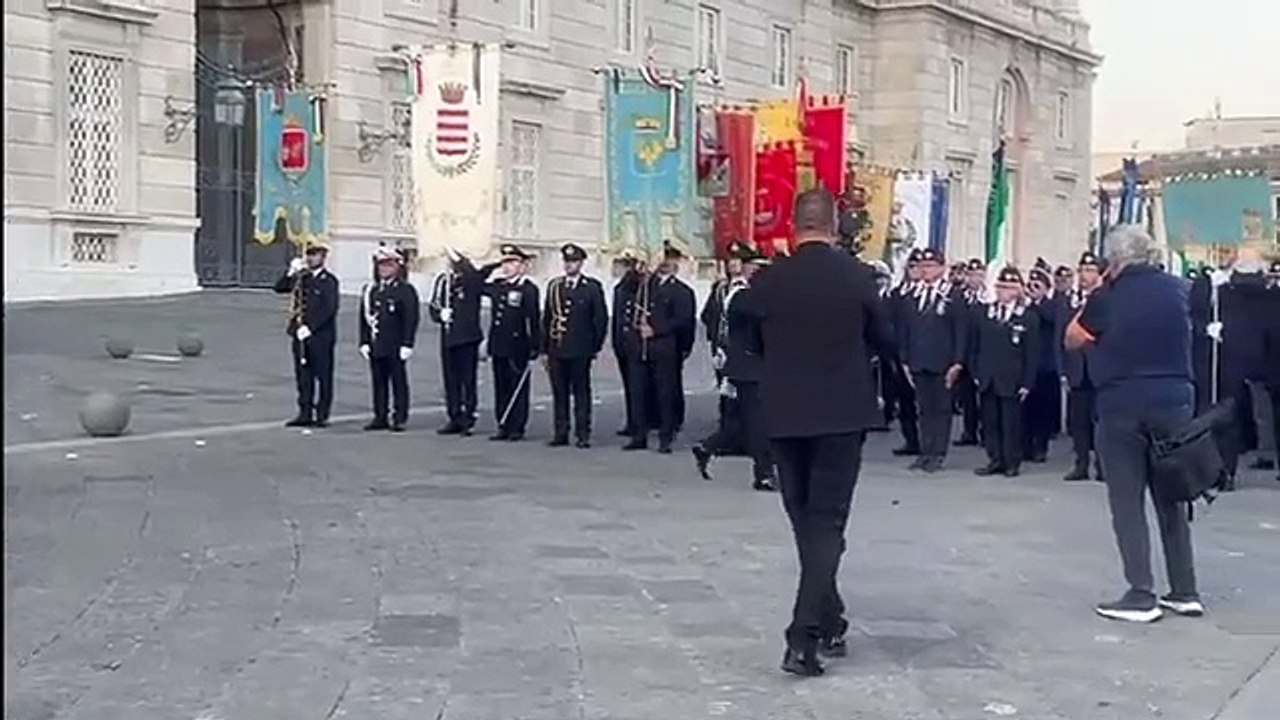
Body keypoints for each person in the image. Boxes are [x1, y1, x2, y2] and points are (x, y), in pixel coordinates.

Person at [738, 188, 894, 677]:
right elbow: (885, 340)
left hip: (785, 413)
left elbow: (741, 338)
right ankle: (803, 635)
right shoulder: (857, 277)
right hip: (842, 415)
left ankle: (829, 617)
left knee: (804, 520)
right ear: (834, 226)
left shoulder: (768, 281)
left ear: (793, 225)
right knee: (825, 523)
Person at [1065, 224, 1202, 623]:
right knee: (1172, 496)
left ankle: (1141, 593)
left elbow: (1073, 337)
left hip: (1124, 401)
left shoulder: (1106, 296)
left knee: (1127, 499)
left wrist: (1099, 293)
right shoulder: (1178, 288)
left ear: (1115, 262)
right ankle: (1184, 590)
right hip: (1176, 399)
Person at [692, 244, 777, 491]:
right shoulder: (741, 295)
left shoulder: (750, 293)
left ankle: (708, 447)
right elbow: (762, 317)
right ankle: (763, 474)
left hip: (749, 367)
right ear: (750, 269)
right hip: (748, 368)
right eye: (760, 269)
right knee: (759, 423)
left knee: (743, 422)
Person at [622, 242, 696, 454]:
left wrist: (657, 330)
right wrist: (640, 268)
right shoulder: (645, 284)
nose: (665, 263)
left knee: (665, 392)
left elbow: (682, 319)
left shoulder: (681, 291)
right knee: (638, 391)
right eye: (662, 259)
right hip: (639, 347)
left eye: (670, 259)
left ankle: (666, 435)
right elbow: (625, 288)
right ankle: (639, 434)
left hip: (663, 347)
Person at [1210, 247, 1272, 490]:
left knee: (1229, 415)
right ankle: (1227, 468)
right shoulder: (1264, 293)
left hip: (1233, 358)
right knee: (1250, 415)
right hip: (1249, 360)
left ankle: (1225, 469)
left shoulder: (1229, 291)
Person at [900, 247, 966, 472]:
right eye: (922, 266)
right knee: (924, 408)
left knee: (941, 408)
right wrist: (905, 360)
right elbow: (906, 329)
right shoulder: (912, 296)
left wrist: (957, 361)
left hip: (943, 361)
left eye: (930, 266)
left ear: (941, 268)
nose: (925, 270)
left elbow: (960, 330)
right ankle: (925, 451)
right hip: (919, 360)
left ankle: (938, 452)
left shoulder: (953, 296)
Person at [971, 266, 1038, 477]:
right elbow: (975, 346)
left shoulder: (1027, 317)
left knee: (1011, 423)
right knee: (990, 421)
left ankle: (1012, 461)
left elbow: (1032, 353)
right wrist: (976, 372)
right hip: (988, 376)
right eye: (1001, 286)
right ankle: (995, 458)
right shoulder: (985, 313)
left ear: (1019, 290)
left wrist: (1027, 382)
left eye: (1009, 287)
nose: (1004, 291)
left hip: (1012, 378)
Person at [428, 249, 501, 436]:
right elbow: (434, 305)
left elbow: (475, 275)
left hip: (468, 337)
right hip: (449, 337)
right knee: (451, 380)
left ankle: (468, 417)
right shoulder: (444, 281)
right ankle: (454, 416)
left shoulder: (471, 280)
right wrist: (439, 315)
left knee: (468, 380)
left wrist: (459, 258)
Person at [543, 243, 608, 448]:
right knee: (559, 392)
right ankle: (561, 431)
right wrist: (544, 348)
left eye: (573, 262)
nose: (569, 265)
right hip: (557, 348)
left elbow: (600, 318)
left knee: (581, 392)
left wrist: (594, 346)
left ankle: (583, 433)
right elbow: (547, 319)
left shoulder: (591, 287)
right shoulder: (555, 286)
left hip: (580, 349)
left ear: (580, 263)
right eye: (567, 261)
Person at [272, 241, 339, 428]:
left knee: (323, 375)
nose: (311, 258)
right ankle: (305, 412)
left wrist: (311, 327)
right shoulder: (302, 278)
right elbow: (279, 288)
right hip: (299, 335)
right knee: (303, 376)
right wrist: (290, 272)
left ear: (323, 257)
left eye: (315, 254)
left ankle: (322, 414)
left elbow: (329, 308)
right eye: (308, 254)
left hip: (321, 336)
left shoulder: (329, 281)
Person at [358, 246, 421, 432]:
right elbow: (363, 318)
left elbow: (411, 318)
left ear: (397, 267)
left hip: (395, 344)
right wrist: (363, 341)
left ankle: (400, 416)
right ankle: (380, 415)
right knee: (378, 381)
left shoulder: (405, 290)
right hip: (376, 343)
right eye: (381, 265)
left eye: (388, 265)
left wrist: (407, 343)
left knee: (398, 381)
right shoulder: (372, 290)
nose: (384, 269)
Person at [485, 244, 542, 441]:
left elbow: (533, 319)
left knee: (517, 387)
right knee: (501, 387)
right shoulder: (499, 285)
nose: (507, 267)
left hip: (518, 346)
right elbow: (475, 284)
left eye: (512, 262)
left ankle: (517, 426)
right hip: (499, 345)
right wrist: (490, 267)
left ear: (522, 266)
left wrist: (536, 346)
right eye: (505, 262)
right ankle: (503, 423)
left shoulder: (528, 289)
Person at [1062, 251, 1104, 481]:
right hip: (1077, 368)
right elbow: (1061, 335)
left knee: (1099, 419)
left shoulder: (1104, 298)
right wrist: (1063, 369)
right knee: (1078, 420)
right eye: (1082, 270)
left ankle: (1102, 464)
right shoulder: (1070, 300)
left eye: (1090, 271)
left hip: (1098, 367)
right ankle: (1081, 463)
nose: (1084, 275)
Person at [1022, 266, 1063, 463]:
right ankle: (1026, 445)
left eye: (1037, 285)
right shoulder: (1024, 305)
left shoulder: (1052, 304)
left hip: (1046, 364)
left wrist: (1037, 301)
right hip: (1026, 364)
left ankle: (1041, 446)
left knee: (1044, 410)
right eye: (1030, 284)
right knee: (1026, 410)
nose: (1033, 288)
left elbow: (1052, 319)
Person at [887, 250, 923, 456]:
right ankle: (911, 440)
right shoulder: (898, 294)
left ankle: (928, 442)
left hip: (923, 354)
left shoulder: (931, 295)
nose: (916, 271)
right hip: (900, 354)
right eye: (912, 267)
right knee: (905, 400)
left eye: (919, 267)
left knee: (926, 403)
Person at [953, 258, 988, 447]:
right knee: (966, 395)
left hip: (981, 352)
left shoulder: (988, 299)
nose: (974, 279)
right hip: (963, 352)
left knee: (983, 394)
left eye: (978, 275)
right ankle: (969, 430)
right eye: (971, 275)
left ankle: (986, 431)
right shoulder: (958, 297)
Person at [612, 251, 643, 438]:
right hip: (623, 343)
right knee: (630, 387)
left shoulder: (643, 286)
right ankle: (633, 421)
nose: (630, 268)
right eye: (628, 265)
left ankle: (641, 423)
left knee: (639, 387)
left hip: (639, 344)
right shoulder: (621, 287)